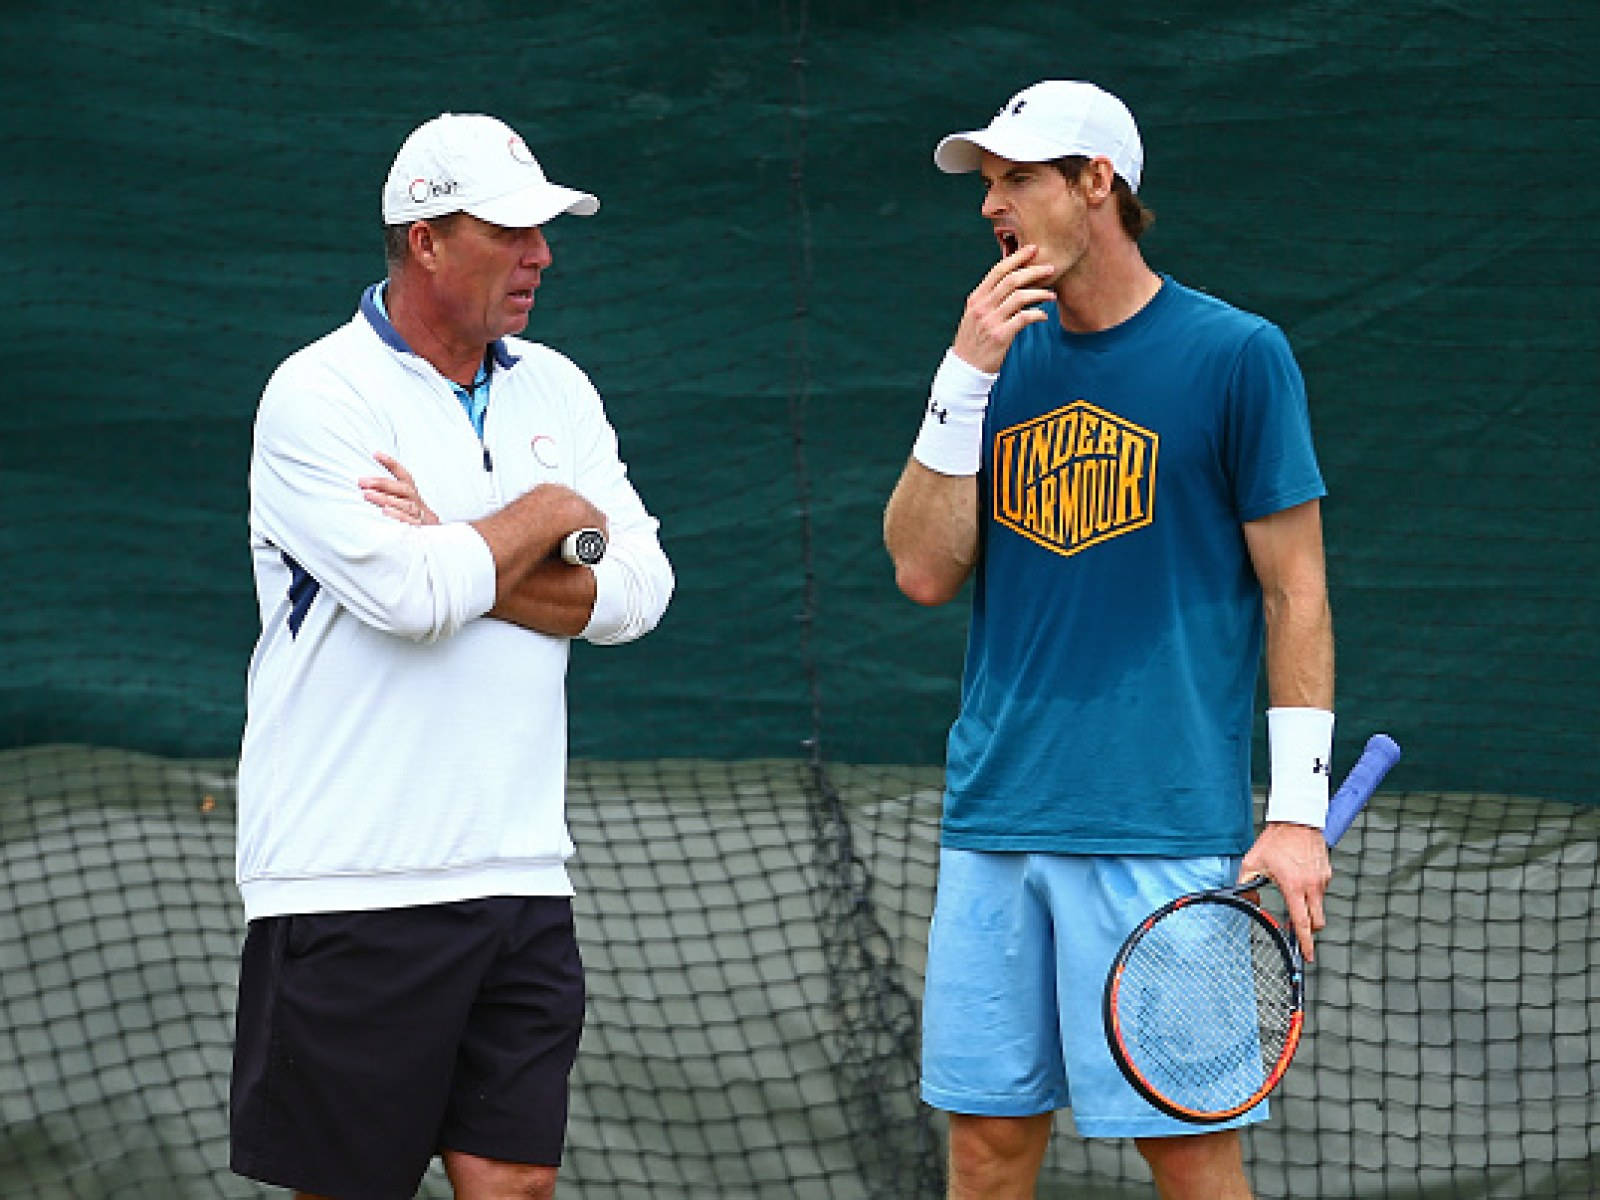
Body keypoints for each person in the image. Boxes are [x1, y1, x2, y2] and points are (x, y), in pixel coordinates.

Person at [883, 80, 1335, 1200]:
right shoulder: (987, 364)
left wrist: (1296, 815)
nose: (991, 203)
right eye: (985, 182)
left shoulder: (1237, 355)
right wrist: (960, 379)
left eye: (1018, 178)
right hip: (995, 820)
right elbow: (922, 569)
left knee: (1187, 1153)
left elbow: (1296, 594)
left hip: (1159, 829)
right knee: (985, 1153)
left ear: (1099, 186)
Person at [230, 111, 674, 1200]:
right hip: (348, 880)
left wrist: (457, 530)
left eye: (543, 230)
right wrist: (549, 511)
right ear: (425, 238)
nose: (541, 255)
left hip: (522, 871)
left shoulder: (556, 389)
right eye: (510, 230)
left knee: (515, 1184)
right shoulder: (317, 394)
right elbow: (411, 595)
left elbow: (639, 594)